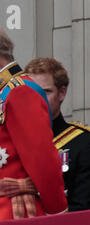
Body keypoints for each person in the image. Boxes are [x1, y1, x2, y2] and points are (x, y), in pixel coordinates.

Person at [0, 26, 67, 223]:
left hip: (15, 215)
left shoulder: (20, 93)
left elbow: (42, 160)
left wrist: (57, 215)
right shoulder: (1, 96)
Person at [25, 57, 90, 211]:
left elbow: (82, 209)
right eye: (32, 92)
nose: (38, 99)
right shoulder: (16, 141)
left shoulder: (83, 143)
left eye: (45, 92)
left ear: (61, 93)